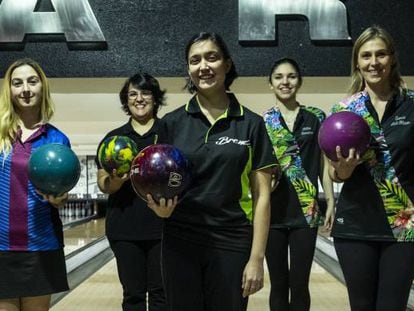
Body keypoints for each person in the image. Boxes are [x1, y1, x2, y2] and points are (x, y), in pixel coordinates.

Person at [147, 32, 277, 311]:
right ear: (188, 69)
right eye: (195, 60)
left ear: (227, 65)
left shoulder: (252, 124)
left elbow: (262, 196)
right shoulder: (172, 123)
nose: (203, 66)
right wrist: (158, 208)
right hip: (180, 238)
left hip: (232, 239)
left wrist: (257, 257)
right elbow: (153, 179)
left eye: (212, 57)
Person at [328, 25, 414, 310]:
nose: (373, 62)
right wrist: (344, 170)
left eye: (380, 54)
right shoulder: (344, 110)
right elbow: (334, 172)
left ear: (392, 59)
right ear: (357, 62)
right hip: (355, 225)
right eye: (366, 56)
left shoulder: (411, 105)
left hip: (405, 224)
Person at [262, 57, 335, 311]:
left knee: (300, 283)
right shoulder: (263, 122)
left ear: (299, 81)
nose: (285, 82)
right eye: (279, 77)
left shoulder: (316, 117)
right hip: (272, 213)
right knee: (279, 283)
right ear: (270, 84)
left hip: (307, 212)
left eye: (291, 76)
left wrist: (331, 203)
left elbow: (325, 165)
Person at [0, 58, 70, 310]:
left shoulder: (57, 139)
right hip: (1, 245)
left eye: (32, 81)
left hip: (41, 244)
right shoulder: (0, 134)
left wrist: (60, 199)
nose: (25, 89)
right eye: (17, 83)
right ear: (9, 90)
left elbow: (62, 190)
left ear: (43, 87)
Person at [96, 73, 167, 311]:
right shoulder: (114, 139)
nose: (139, 98)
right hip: (125, 228)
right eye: (132, 94)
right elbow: (103, 184)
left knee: (161, 295)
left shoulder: (170, 132)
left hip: (164, 227)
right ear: (126, 101)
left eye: (145, 92)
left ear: (155, 98)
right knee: (133, 296)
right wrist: (116, 181)